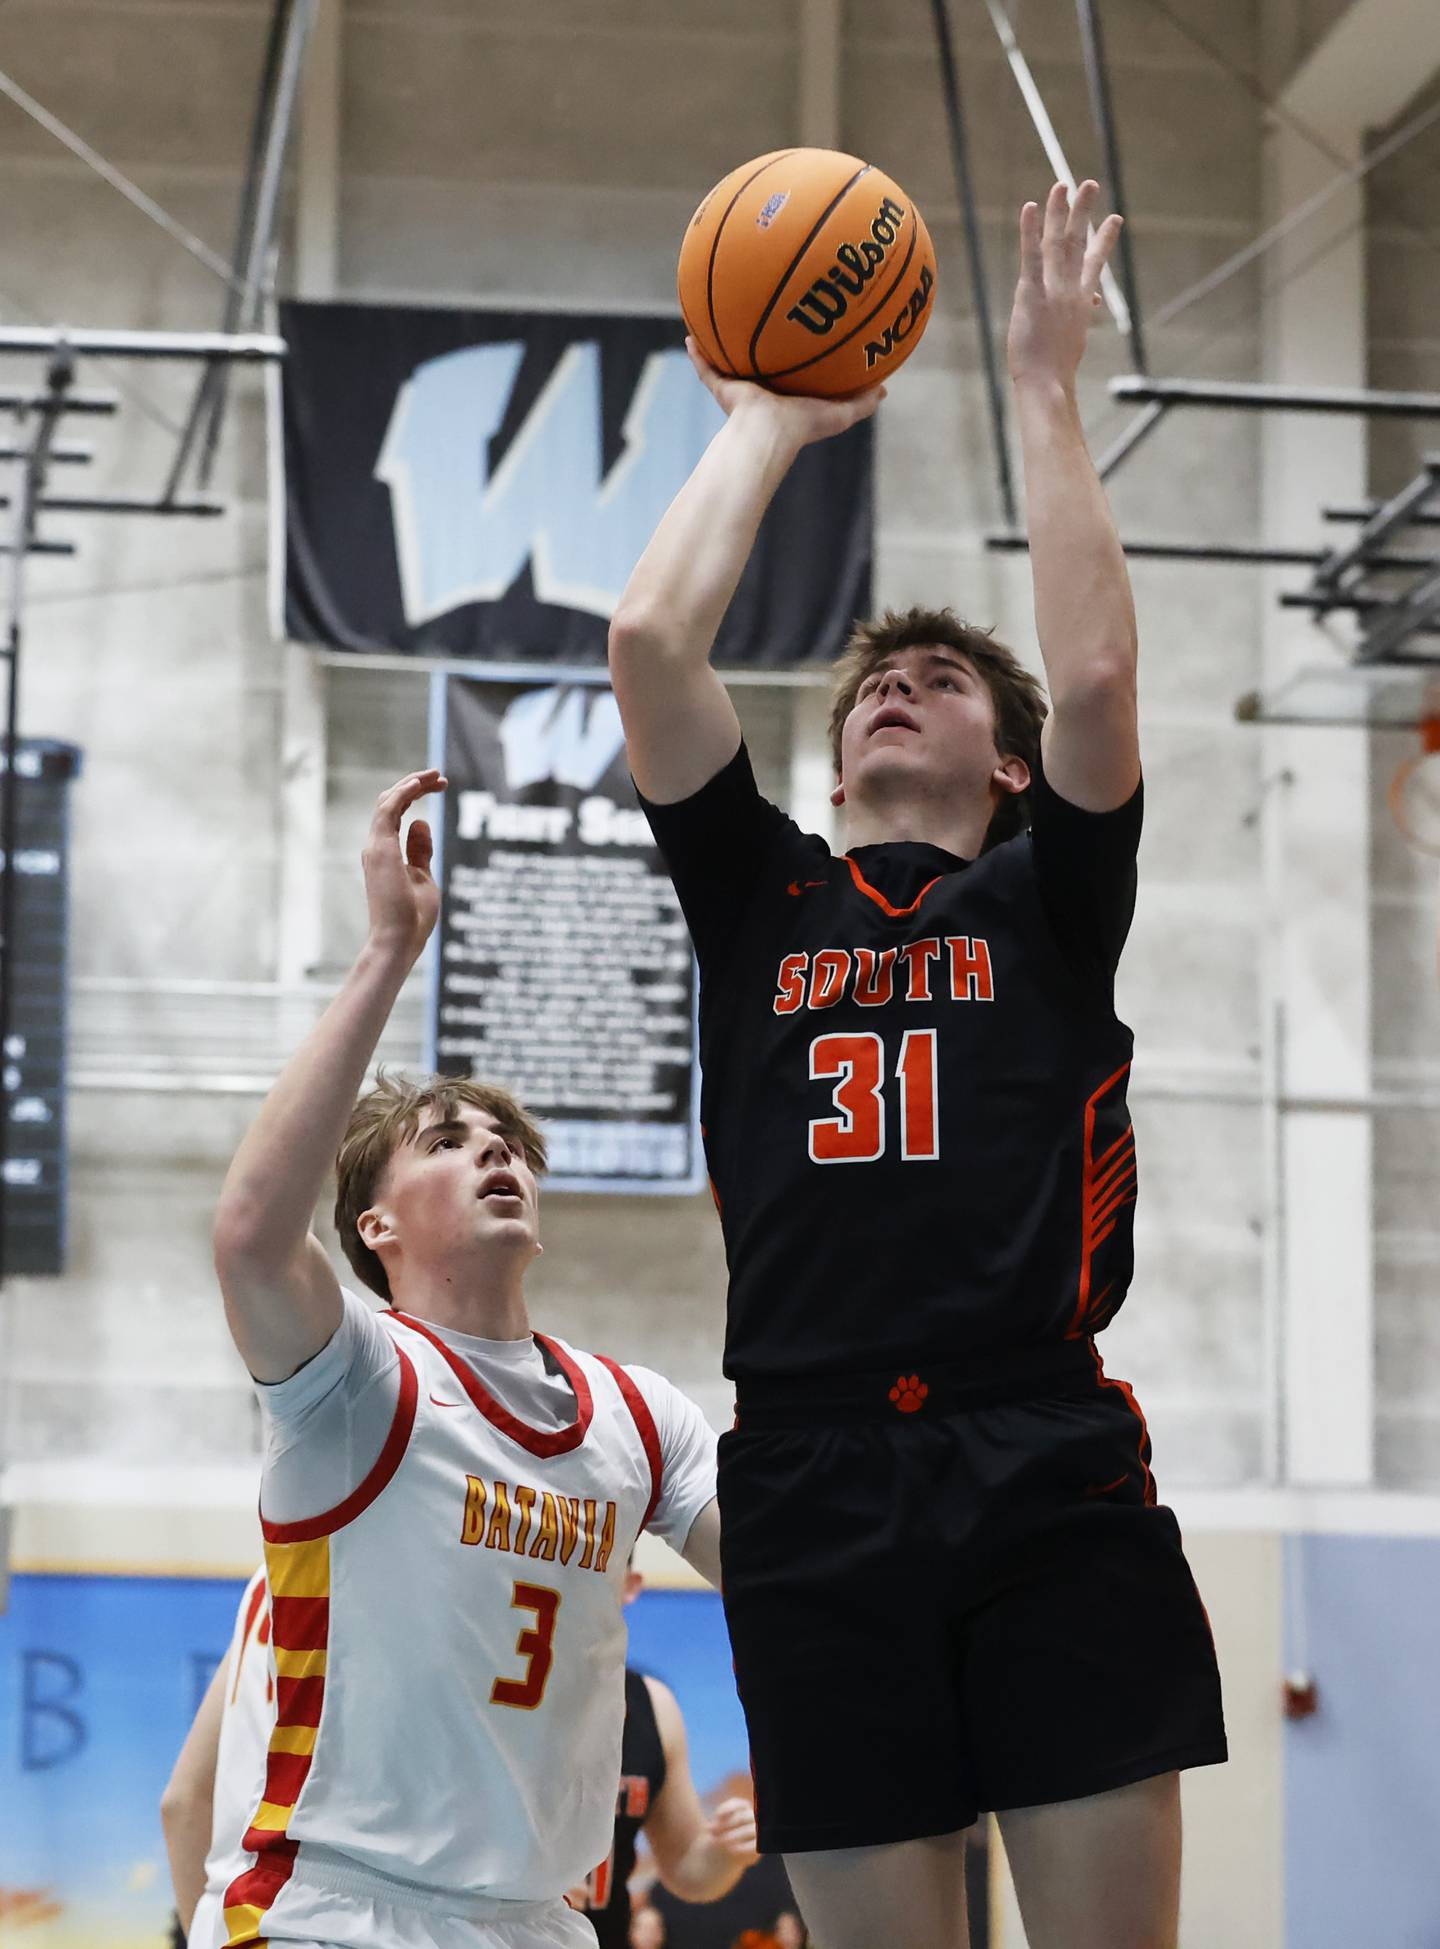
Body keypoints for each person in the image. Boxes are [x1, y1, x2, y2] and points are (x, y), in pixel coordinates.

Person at [606, 182, 1226, 1949]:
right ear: (830, 757)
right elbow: (653, 643)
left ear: (1009, 771)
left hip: (1038, 1453)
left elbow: (1099, 670)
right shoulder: (761, 895)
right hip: (807, 1471)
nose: (901, 686)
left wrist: (1044, 381)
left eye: (947, 680)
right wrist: (776, 417)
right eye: (879, 677)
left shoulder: (1050, 898)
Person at [206, 767, 721, 1949]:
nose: (497, 1154)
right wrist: (393, 946)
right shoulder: (356, 1373)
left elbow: (790, 1575)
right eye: (447, 1143)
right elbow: (247, 1232)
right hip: (336, 1911)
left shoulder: (642, 1415)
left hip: (541, 1919)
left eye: (508, 1143)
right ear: (374, 1228)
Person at [569, 1562, 758, 1945]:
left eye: (599, 1565)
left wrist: (729, 1850)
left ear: (630, 1585)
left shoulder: (653, 1705)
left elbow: (688, 1867)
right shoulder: (492, 1693)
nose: (581, 1578)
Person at [162, 1568, 272, 1947]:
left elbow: (181, 1804)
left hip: (230, 1922)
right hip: (325, 1920)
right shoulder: (409, 1579)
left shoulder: (268, 1577)